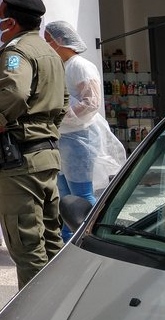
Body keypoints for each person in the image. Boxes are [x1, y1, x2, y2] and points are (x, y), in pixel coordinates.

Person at [0, 0, 68, 290]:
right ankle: (61, 315)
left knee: (27, 249)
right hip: (46, 158)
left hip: (20, 164)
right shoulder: (50, 54)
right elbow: (63, 101)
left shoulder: (17, 53)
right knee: (51, 241)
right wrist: (45, 132)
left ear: (12, 22)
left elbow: (15, 94)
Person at [44, 21, 126, 241]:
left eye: (48, 40)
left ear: (60, 41)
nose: (46, 45)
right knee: (65, 194)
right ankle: (68, 237)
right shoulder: (64, 66)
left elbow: (91, 102)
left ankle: (90, 238)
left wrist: (61, 114)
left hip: (78, 139)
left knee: (81, 193)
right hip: (64, 138)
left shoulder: (79, 65)